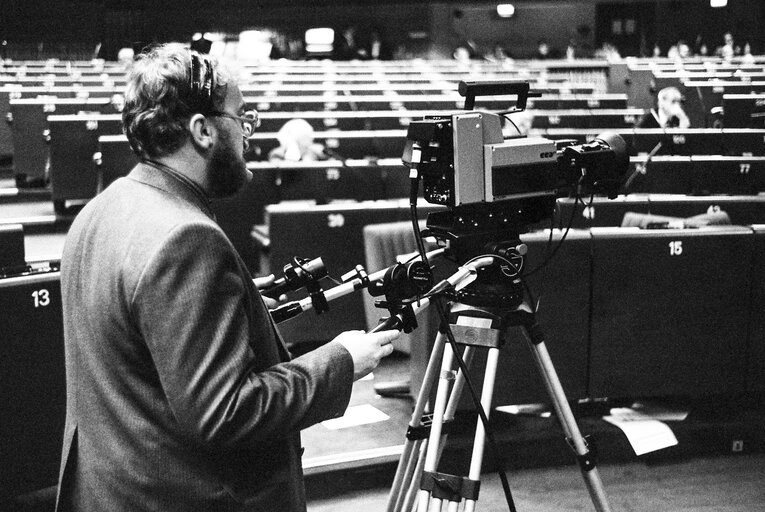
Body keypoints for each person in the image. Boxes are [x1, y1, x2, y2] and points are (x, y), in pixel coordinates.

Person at [55, 43, 399, 512]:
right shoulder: (187, 238)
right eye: (242, 117)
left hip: (110, 489)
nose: (248, 133)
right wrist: (340, 361)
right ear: (202, 131)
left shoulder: (100, 210)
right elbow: (225, 412)